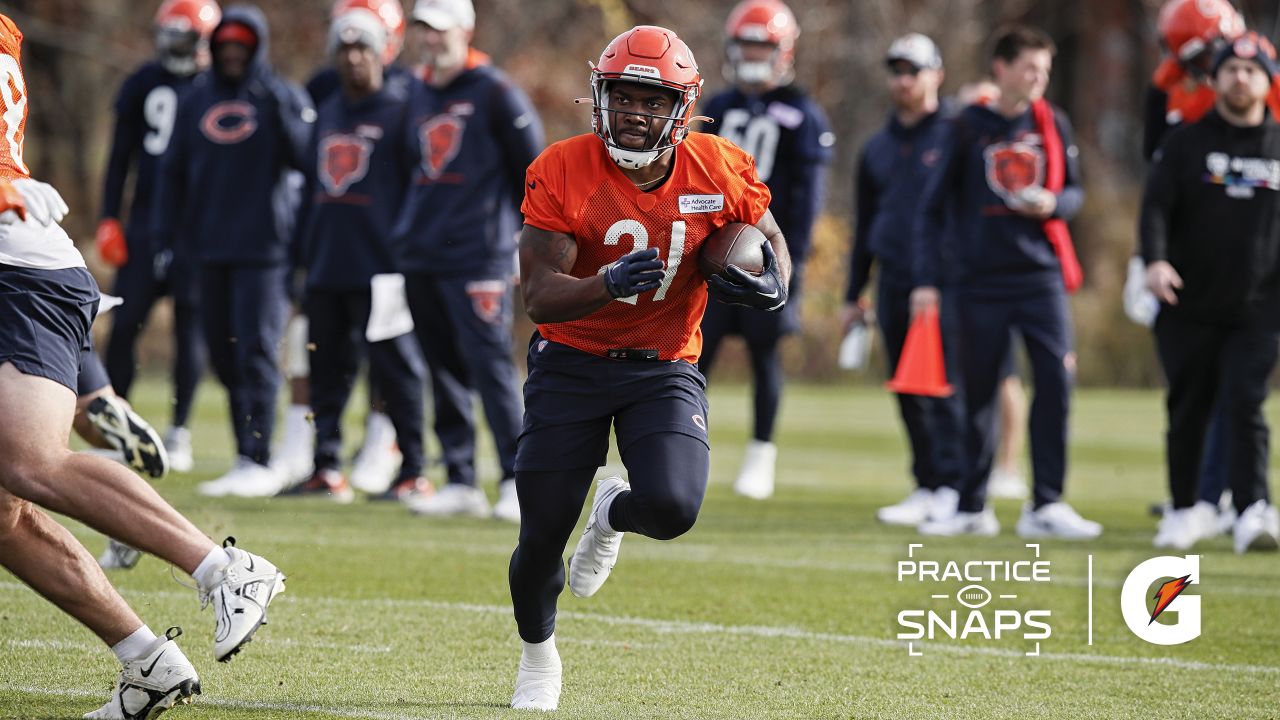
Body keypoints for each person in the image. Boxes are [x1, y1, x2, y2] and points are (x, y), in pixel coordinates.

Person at [0, 14, 285, 718]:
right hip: (23, 267)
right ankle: (147, 661)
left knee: (29, 462)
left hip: (17, 273)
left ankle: (225, 568)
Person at [507, 25, 787, 710]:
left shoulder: (718, 167)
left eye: (652, 101)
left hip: (662, 365)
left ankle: (613, 514)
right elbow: (539, 294)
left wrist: (772, 280)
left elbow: (769, 238)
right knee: (541, 535)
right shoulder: (563, 167)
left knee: (672, 506)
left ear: (681, 110)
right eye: (624, 97)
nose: (635, 112)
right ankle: (538, 653)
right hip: (572, 361)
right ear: (600, 97)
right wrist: (605, 284)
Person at [912, 25, 1101, 539]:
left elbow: (1076, 194)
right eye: (1030, 68)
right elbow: (932, 208)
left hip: (1039, 278)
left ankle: (1047, 504)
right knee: (978, 394)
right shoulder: (965, 125)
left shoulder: (1052, 122)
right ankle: (973, 507)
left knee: (1056, 383)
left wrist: (1053, 204)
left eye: (1045, 70)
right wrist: (927, 278)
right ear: (1002, 68)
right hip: (977, 280)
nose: (1039, 78)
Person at [152, 4, 315, 498]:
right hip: (209, 248)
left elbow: (306, 157)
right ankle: (248, 451)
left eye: (242, 47)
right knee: (223, 356)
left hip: (266, 252)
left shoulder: (279, 95)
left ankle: (257, 457)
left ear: (256, 48)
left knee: (258, 352)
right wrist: (165, 239)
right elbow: (171, 174)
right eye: (225, 45)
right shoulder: (196, 98)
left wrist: (278, 108)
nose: (232, 55)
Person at [391, 0, 541, 521]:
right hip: (422, 252)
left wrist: (528, 245)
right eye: (424, 31)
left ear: (466, 29)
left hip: (480, 254)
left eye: (440, 30)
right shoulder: (413, 90)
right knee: (442, 367)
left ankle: (516, 477)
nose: (431, 40)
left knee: (488, 364)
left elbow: (535, 172)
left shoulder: (496, 91)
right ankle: (459, 476)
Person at [282, 6, 430, 503]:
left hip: (384, 267)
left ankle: (413, 469)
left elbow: (422, 187)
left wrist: (413, 251)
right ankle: (326, 467)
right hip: (328, 263)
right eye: (344, 49)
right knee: (325, 370)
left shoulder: (404, 109)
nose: (353, 58)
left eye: (363, 48)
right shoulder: (325, 108)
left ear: (383, 51)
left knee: (395, 369)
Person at [1140, 32, 1280, 553]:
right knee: (1189, 407)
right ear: (1216, 78)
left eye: (1252, 71)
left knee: (1246, 403)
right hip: (1188, 302)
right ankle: (1183, 508)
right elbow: (1154, 208)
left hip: (1260, 305)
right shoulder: (1185, 142)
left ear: (1268, 81)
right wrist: (1155, 261)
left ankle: (1253, 511)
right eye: (1231, 70)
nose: (1241, 78)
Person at [696, 0, 832, 500]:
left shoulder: (803, 112)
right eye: (746, 44)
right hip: (712, 249)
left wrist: (790, 258)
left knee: (764, 351)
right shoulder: (721, 106)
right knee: (696, 351)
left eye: (762, 45)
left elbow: (808, 200)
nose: (753, 55)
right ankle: (688, 446)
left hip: (767, 254)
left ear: (784, 51)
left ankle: (761, 455)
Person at [843, 33, 965, 526]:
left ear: (937, 74)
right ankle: (927, 483)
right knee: (908, 388)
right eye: (896, 71)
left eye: (913, 70)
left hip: (945, 282)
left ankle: (956, 487)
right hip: (894, 280)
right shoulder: (876, 147)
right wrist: (853, 292)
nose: (904, 80)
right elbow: (864, 226)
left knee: (945, 388)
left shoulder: (959, 134)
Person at [97, 0, 220, 474]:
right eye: (169, 35)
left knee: (191, 323)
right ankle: (118, 423)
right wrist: (111, 216)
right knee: (126, 324)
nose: (175, 46)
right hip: (147, 221)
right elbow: (119, 155)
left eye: (183, 36)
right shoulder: (143, 82)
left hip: (196, 227)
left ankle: (180, 430)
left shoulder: (214, 88)